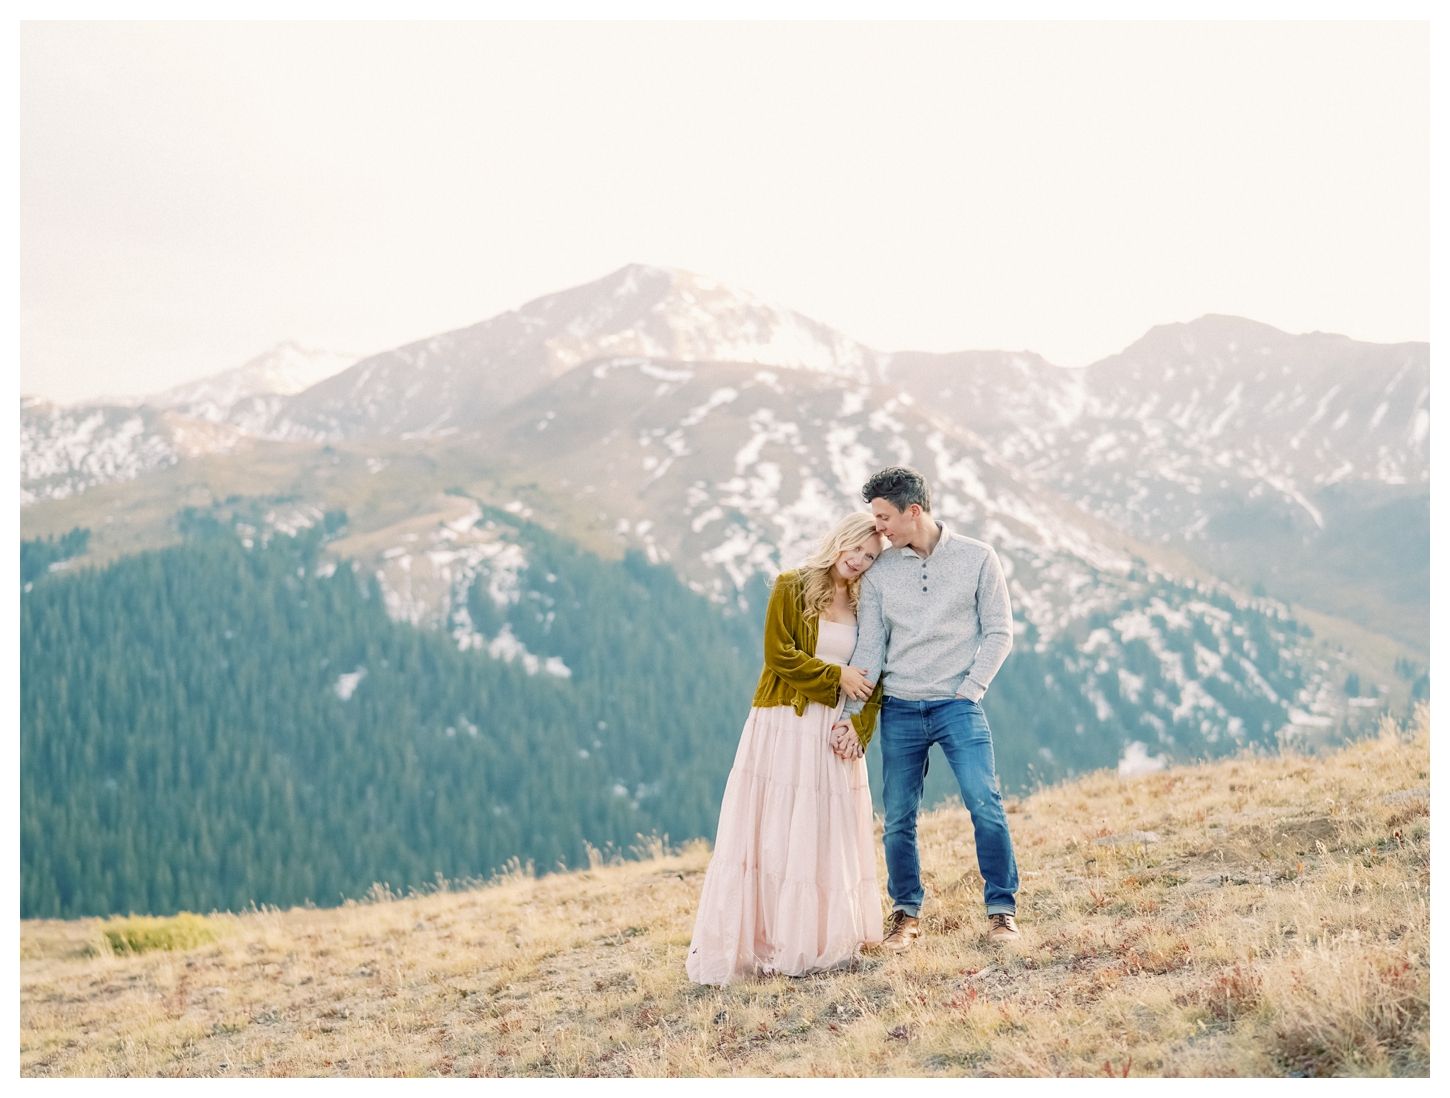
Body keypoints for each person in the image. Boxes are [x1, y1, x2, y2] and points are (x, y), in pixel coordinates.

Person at [686, 513, 888, 984]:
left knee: (824, 831)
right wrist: (836, 676)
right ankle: (768, 943)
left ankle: (819, 940)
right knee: (777, 829)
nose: (859, 561)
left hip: (835, 728)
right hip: (786, 721)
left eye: (871, 557)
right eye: (856, 549)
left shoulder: (868, 602)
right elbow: (779, 654)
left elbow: (876, 669)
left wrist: (860, 727)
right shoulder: (790, 586)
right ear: (839, 541)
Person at [831, 465, 1021, 949]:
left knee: (985, 802)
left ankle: (1001, 911)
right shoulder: (882, 571)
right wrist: (851, 717)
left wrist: (972, 689)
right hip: (898, 708)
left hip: (958, 705)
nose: (879, 527)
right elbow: (870, 648)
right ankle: (905, 915)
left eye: (884, 517)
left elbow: (1000, 631)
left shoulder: (979, 558)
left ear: (913, 511)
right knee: (898, 817)